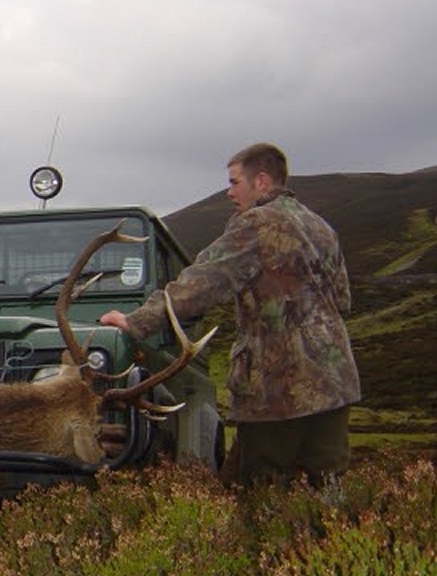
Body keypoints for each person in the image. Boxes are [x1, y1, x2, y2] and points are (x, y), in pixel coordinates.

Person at [99, 142, 360, 487]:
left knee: (263, 489)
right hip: (334, 380)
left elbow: (201, 283)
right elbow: (343, 300)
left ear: (262, 181)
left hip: (278, 386)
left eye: (235, 182)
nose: (229, 192)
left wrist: (136, 322)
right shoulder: (322, 228)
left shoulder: (256, 223)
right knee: (327, 484)